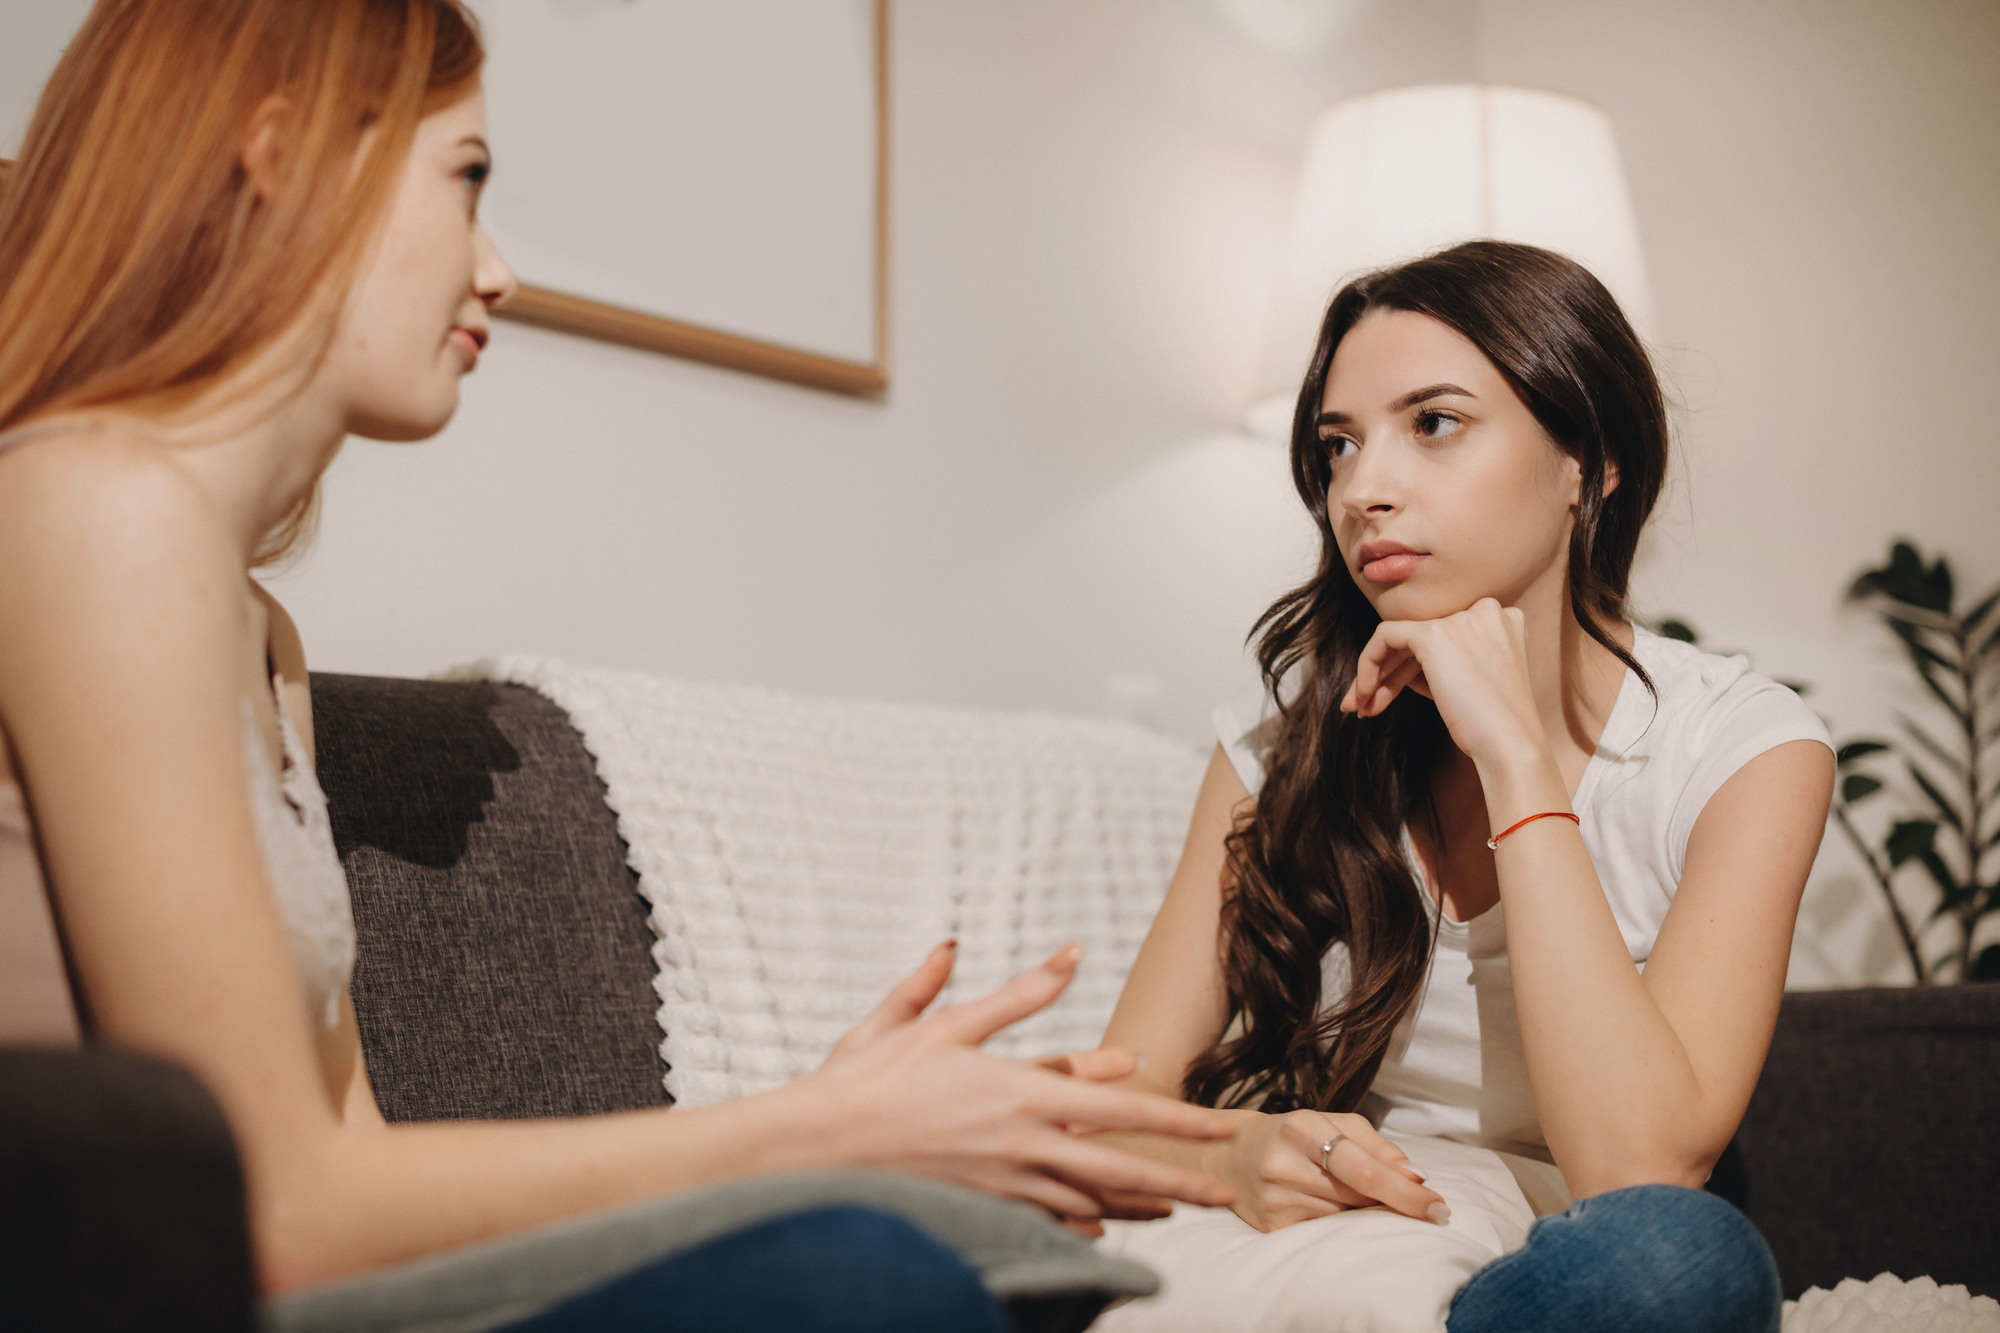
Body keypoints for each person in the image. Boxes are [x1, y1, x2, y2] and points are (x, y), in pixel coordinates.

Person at [0, 2, 1236, 1328]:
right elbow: (275, 1218)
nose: (497, 272)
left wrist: (812, 1126)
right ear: (282, 156)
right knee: (864, 1277)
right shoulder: (92, 503)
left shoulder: (257, 630)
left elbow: (346, 1166)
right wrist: (822, 1133)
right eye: (466, 179)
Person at [1088, 241, 1834, 1331]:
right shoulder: (1274, 755)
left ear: (1590, 461)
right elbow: (1109, 1114)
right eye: (1337, 446)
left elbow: (1641, 1168)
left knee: (1681, 1260)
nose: (1365, 490)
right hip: (1334, 1246)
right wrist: (1238, 1149)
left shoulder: (1742, 748)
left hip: (1552, 1262)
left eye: (1432, 424)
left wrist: (1514, 758)